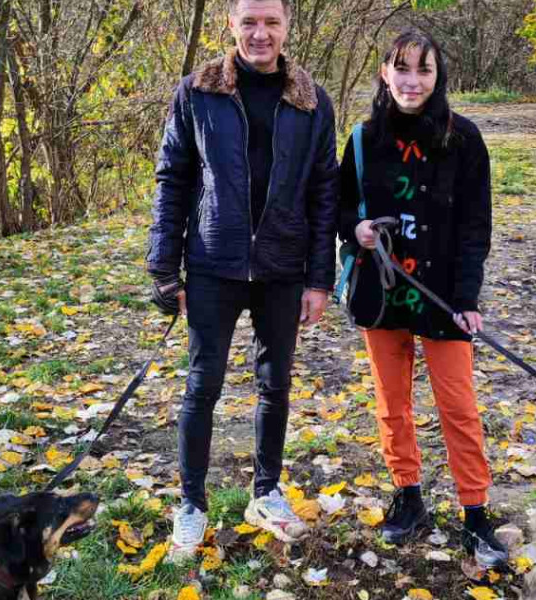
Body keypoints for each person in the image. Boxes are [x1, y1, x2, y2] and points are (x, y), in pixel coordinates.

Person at [146, 0, 338, 561]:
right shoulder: (196, 92)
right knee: (201, 386)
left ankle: (266, 492)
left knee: (275, 384)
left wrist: (319, 279)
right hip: (212, 262)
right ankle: (191, 504)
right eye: (249, 21)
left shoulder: (311, 100)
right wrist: (163, 267)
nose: (260, 33)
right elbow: (172, 179)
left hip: (283, 266)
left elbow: (324, 191)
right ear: (230, 24)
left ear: (286, 28)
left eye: (271, 22)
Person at [338, 29, 509, 569]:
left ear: (439, 77)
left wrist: (467, 297)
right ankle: (408, 495)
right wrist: (358, 228)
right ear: (385, 73)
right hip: (382, 294)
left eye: (424, 70)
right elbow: (338, 208)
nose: (412, 81)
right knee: (393, 404)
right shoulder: (364, 139)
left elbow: (475, 226)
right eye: (401, 68)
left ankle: (476, 515)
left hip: (442, 297)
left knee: (458, 407)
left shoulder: (465, 140)